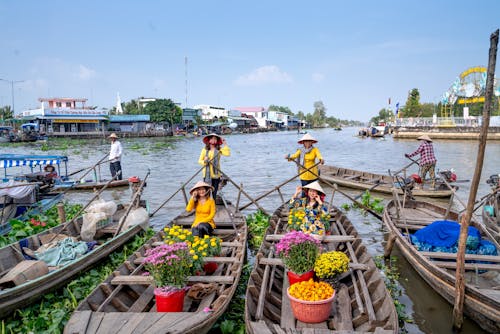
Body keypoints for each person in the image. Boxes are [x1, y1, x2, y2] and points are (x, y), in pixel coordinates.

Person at [198, 133, 230, 200]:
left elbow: (227, 154)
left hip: (216, 174)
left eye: (215, 139)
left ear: (217, 141)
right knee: (207, 191)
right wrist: (205, 161)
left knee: (214, 192)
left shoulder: (219, 150)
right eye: (212, 138)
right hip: (207, 174)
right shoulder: (204, 150)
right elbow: (199, 161)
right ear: (209, 140)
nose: (213, 140)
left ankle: (213, 205)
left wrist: (225, 144)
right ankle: (207, 205)